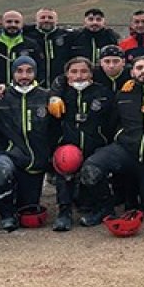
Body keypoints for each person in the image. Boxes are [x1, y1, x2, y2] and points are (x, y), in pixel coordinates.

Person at [77, 56, 144, 224]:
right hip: (125, 151)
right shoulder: (122, 95)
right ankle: (104, 209)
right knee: (92, 168)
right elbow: (111, 123)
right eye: (139, 67)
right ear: (132, 72)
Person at [0, 56, 57, 231]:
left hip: (36, 159)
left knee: (27, 208)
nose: (24, 75)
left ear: (35, 73)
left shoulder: (47, 96)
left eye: (29, 71)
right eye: (19, 71)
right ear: (12, 73)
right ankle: (5, 215)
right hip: (9, 154)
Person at [51, 57, 116, 231]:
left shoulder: (103, 93)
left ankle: (104, 208)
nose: (79, 76)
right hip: (69, 147)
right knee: (65, 164)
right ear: (66, 75)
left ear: (91, 73)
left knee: (93, 169)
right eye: (74, 72)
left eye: (83, 71)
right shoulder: (59, 94)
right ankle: (64, 212)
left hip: (95, 148)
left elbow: (113, 122)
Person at [0, 10, 40, 89]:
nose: (13, 25)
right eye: (9, 22)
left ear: (22, 24)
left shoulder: (31, 45)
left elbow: (39, 69)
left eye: (17, 22)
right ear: (1, 23)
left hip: (23, 91)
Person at [24, 7, 70, 88]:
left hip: (60, 86)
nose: (46, 20)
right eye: (42, 17)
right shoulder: (27, 36)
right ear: (36, 20)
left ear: (56, 20)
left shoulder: (66, 36)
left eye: (50, 17)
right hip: (34, 86)